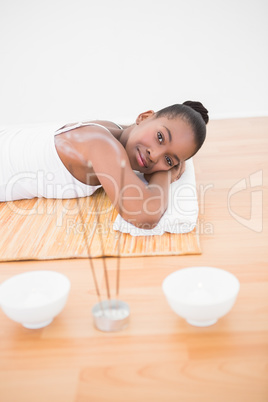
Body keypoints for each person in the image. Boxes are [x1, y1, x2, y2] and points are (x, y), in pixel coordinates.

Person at [0, 101, 208, 228]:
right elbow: (145, 213)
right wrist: (167, 175)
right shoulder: (100, 143)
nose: (155, 155)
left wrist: (165, 166)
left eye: (169, 160)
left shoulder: (118, 132)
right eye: (160, 137)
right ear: (144, 117)